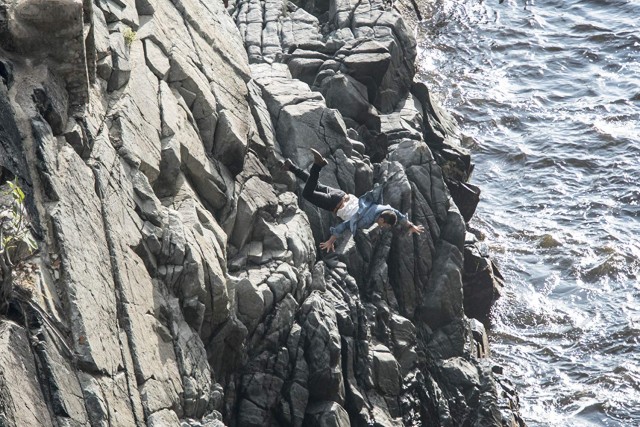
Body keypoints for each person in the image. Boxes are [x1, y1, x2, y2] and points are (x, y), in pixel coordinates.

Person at [282, 149, 424, 252]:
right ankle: (317, 165)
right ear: (382, 220)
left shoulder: (381, 208)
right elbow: (345, 225)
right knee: (308, 194)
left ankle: (291, 167)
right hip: (335, 203)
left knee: (315, 185)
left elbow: (396, 213)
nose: (384, 227)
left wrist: (409, 224)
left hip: (341, 194)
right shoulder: (365, 221)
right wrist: (331, 241)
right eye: (385, 225)